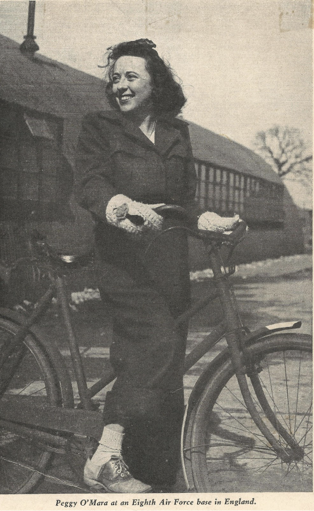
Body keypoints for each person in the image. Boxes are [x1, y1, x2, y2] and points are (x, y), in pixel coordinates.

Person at [75, 39, 238, 493]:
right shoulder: (99, 126)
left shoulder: (175, 133)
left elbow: (183, 200)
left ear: (156, 84)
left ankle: (160, 473)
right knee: (158, 344)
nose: (119, 84)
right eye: (116, 76)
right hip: (124, 265)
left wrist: (207, 219)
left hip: (169, 265)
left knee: (166, 369)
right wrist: (118, 205)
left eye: (131, 76)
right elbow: (89, 182)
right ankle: (105, 458)